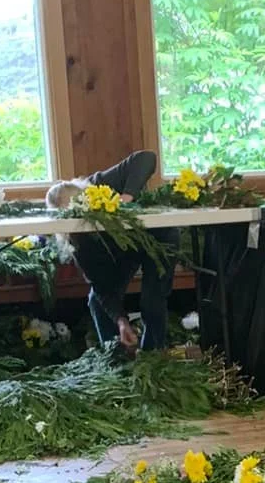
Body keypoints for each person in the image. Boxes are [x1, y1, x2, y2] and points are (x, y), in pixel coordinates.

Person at [46, 149, 172, 352]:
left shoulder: (101, 184)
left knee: (153, 299)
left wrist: (127, 197)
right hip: (121, 252)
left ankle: (154, 357)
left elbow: (146, 157)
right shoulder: (78, 240)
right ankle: (117, 354)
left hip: (156, 238)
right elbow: (102, 287)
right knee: (97, 301)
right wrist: (122, 321)